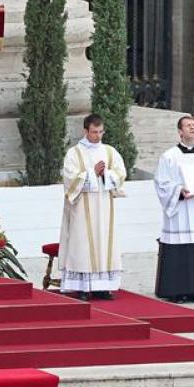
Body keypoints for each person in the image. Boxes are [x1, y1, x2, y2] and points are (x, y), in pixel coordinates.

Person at [58, 114, 128, 301]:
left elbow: (121, 175)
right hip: (82, 208)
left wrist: (107, 174)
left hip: (105, 207)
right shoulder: (75, 153)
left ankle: (102, 287)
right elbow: (70, 180)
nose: (98, 135)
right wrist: (92, 173)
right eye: (94, 132)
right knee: (83, 245)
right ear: (85, 131)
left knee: (104, 243)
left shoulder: (110, 152)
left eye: (100, 131)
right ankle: (81, 287)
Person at [153, 116, 194, 303]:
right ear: (180, 132)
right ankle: (177, 291)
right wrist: (178, 191)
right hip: (180, 211)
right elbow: (161, 183)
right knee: (180, 250)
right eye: (188, 126)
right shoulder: (169, 156)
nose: (192, 128)